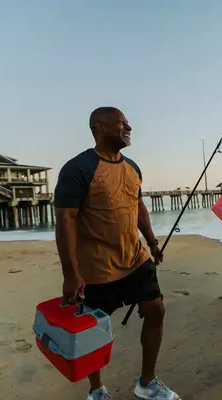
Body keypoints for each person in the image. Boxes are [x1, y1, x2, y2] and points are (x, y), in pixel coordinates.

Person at [54, 107, 180, 400]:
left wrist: (151, 241)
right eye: (122, 123)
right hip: (97, 266)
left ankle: (147, 383)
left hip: (135, 258)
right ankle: (97, 390)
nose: (130, 127)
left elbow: (138, 207)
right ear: (99, 127)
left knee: (156, 310)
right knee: (92, 330)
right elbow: (65, 220)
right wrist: (71, 274)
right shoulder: (78, 168)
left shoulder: (132, 167)